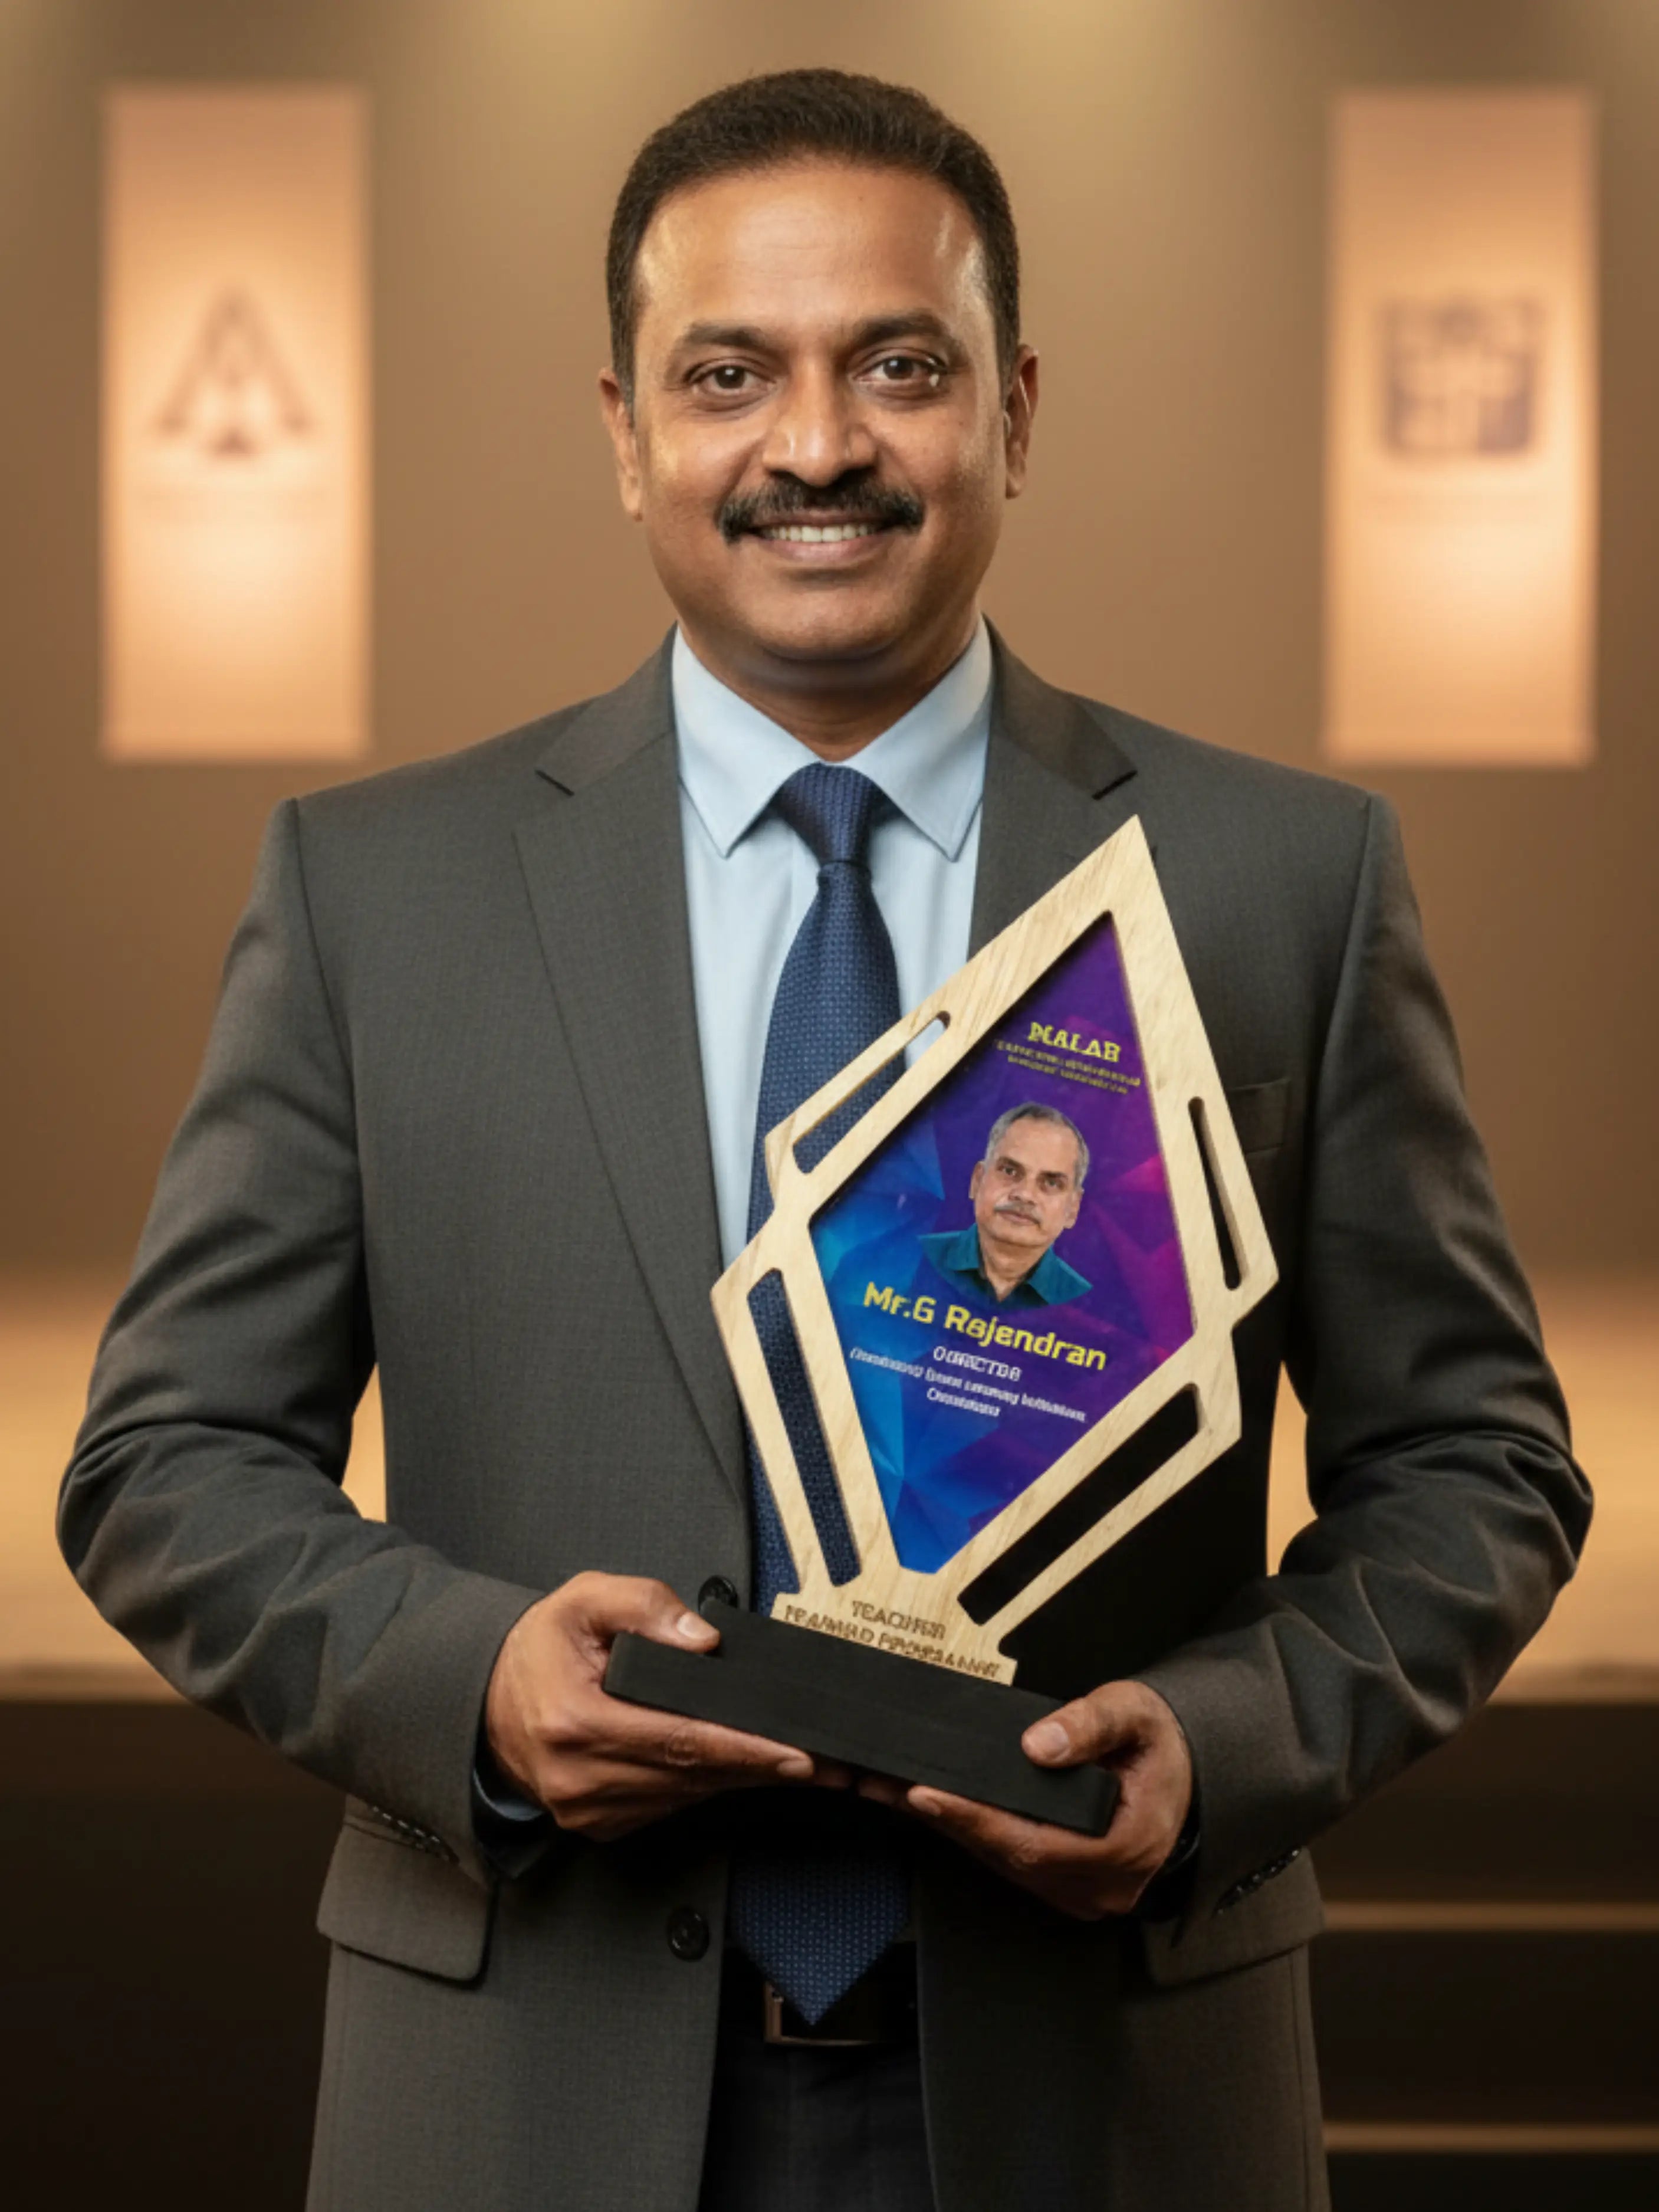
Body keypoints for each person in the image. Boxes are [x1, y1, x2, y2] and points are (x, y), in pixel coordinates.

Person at [61, 68, 1589, 2212]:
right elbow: (165, 1461)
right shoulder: (373, 891)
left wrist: (1226, 1742)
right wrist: (473, 1680)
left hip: (1107, 2081)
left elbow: (1473, 1465)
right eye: (725, 373)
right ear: (622, 427)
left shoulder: (1279, 882)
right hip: (524, 2086)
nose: (813, 444)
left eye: (898, 364)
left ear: (1014, 405)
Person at [921, 1103, 1093, 1307]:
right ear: (977, 1180)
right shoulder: (910, 1258)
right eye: (1010, 1171)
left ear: (1073, 1208)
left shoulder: (1088, 1305)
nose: (1025, 1195)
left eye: (1051, 1183)